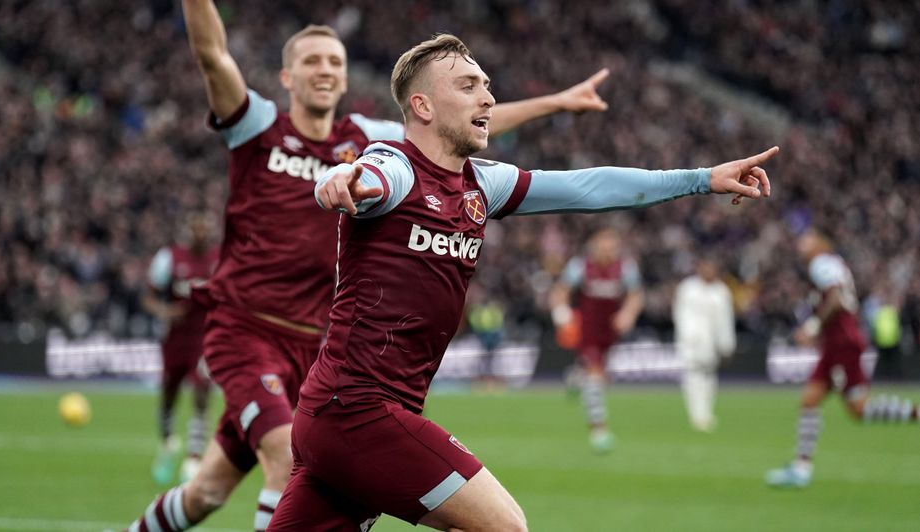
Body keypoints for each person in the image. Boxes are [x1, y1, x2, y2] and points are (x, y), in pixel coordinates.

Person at [127, 2, 618, 530]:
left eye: (335, 62)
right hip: (246, 333)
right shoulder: (259, 126)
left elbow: (455, 121)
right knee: (283, 455)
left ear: (345, 78)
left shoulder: (365, 137)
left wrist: (556, 103)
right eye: (312, 61)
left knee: (207, 492)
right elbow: (213, 56)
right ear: (287, 77)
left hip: (314, 347)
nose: (325, 70)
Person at [268, 33, 778, 530]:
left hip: (343, 412)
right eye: (468, 86)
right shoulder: (395, 165)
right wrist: (338, 181)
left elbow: (588, 187)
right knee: (505, 526)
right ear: (422, 106)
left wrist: (701, 179)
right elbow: (368, 177)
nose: (488, 97)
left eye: (487, 85)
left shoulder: (481, 184)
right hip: (357, 409)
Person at [766, 230, 919, 489]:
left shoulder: (821, 263)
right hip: (837, 344)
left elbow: (836, 300)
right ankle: (801, 468)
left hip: (842, 344)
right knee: (817, 402)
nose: (801, 245)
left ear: (821, 243)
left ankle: (802, 469)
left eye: (807, 240)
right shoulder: (833, 264)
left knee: (853, 408)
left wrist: (813, 327)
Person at [141, 212, 219, 485]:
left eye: (205, 228)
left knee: (202, 390)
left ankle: (194, 457)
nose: (201, 234)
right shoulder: (169, 258)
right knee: (168, 392)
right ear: (189, 231)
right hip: (175, 338)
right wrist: (164, 311)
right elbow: (148, 298)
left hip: (204, 337)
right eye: (196, 228)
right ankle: (167, 443)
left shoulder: (220, 258)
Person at [550, 228, 643, 451]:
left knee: (599, 374)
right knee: (595, 373)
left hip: (610, 330)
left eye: (612, 246)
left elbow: (636, 295)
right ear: (594, 246)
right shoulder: (579, 266)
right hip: (588, 329)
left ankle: (575, 377)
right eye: (604, 245)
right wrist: (562, 314)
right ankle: (598, 429)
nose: (608, 250)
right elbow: (560, 292)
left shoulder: (626, 268)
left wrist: (628, 313)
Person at [672, 257, 735, 432]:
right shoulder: (688, 288)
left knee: (709, 377)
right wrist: (686, 337)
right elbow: (679, 314)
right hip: (691, 342)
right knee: (692, 376)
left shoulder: (721, 291)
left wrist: (727, 343)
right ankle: (696, 414)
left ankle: (706, 413)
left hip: (712, 343)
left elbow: (725, 320)